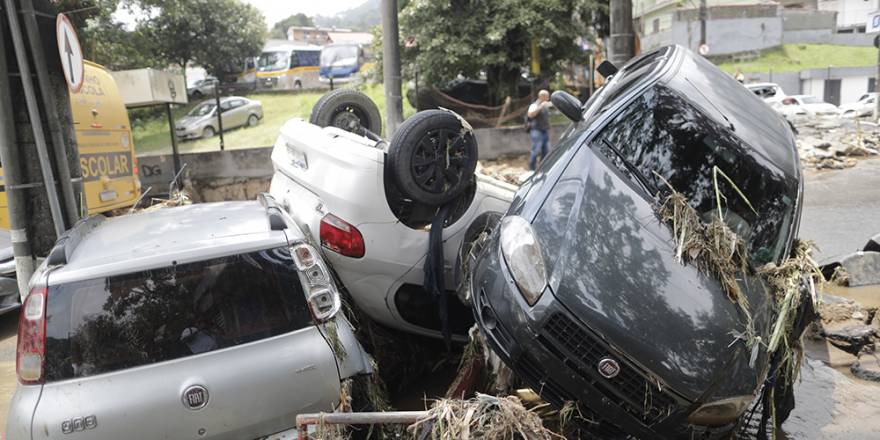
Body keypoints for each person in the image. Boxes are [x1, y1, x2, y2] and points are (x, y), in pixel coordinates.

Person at [526, 90, 552, 170]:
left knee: (546, 151)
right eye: (547, 96)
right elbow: (530, 115)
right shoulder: (534, 105)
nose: (548, 98)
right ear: (542, 97)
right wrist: (540, 107)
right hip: (536, 131)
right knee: (536, 150)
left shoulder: (546, 105)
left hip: (544, 131)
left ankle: (542, 168)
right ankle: (532, 169)